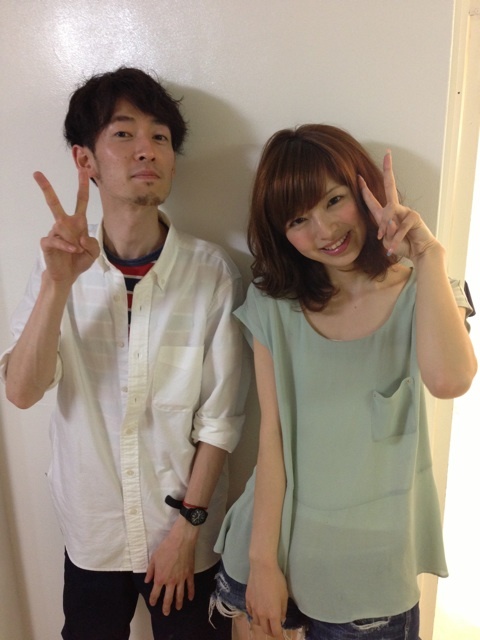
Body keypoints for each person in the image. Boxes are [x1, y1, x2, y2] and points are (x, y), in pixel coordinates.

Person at [0, 67, 248, 640]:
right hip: (94, 532)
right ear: (84, 159)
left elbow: (220, 421)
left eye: (160, 136)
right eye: (123, 133)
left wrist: (187, 532)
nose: (147, 149)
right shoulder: (55, 266)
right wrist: (58, 284)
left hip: (183, 533)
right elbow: (22, 391)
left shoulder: (211, 273)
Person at [210, 124, 477, 640]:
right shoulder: (273, 304)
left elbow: (449, 381)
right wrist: (262, 562)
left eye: (334, 200)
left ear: (364, 191)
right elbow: (272, 437)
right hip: (268, 551)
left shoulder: (427, 289)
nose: (325, 230)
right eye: (298, 219)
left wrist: (428, 255)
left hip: (368, 576)